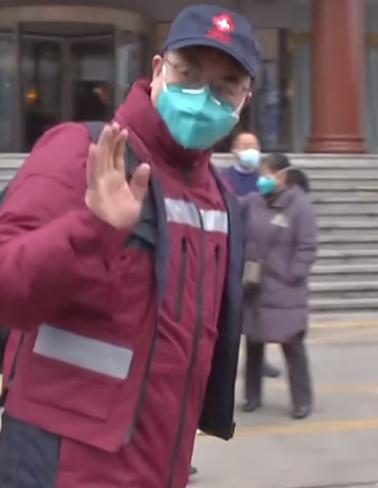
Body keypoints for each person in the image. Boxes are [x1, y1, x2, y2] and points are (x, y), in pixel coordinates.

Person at [0, 5, 260, 488]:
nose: (203, 97)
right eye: (189, 74)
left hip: (162, 463)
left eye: (225, 86)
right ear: (159, 70)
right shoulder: (81, 152)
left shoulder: (222, 200)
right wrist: (91, 230)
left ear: (243, 100)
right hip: (60, 465)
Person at [241, 153, 318, 420]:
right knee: (253, 342)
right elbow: (229, 209)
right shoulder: (253, 202)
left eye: (266, 174)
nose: (262, 180)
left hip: (285, 288)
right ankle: (251, 396)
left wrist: (292, 273)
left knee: (292, 344)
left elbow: (307, 245)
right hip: (255, 284)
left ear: (282, 176)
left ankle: (302, 400)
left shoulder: (300, 206)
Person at [221, 131, 282, 379]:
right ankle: (228, 360)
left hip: (257, 255)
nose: (251, 150)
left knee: (257, 311)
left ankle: (258, 360)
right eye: (245, 146)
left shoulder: (264, 180)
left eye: (255, 146)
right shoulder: (223, 178)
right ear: (234, 150)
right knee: (230, 312)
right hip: (231, 252)